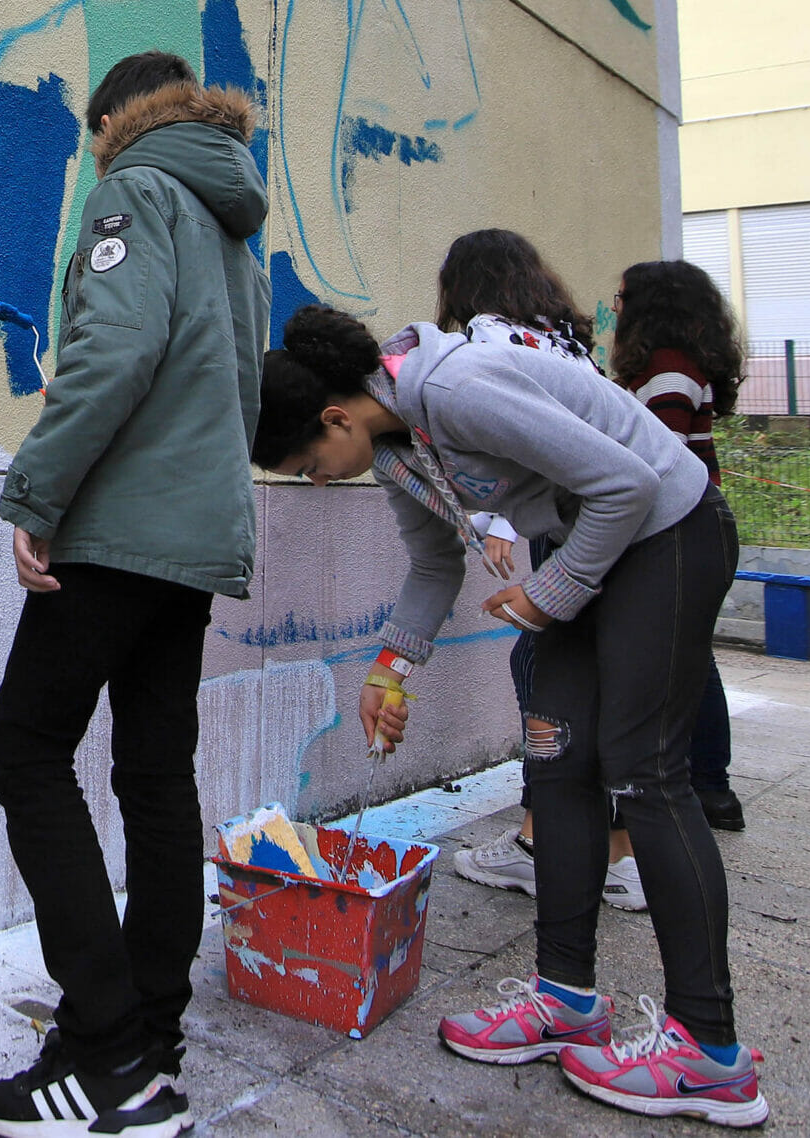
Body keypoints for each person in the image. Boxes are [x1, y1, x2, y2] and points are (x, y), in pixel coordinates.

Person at [256, 304, 766, 1126]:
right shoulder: (395, 450)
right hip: (586, 549)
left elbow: (628, 483)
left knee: (645, 773)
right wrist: (390, 669)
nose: (316, 479)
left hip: (669, 532)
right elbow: (432, 562)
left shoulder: (457, 387)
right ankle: (565, 998)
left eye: (308, 463)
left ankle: (710, 1051)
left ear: (335, 416)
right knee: (555, 761)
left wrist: (550, 592)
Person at [0, 50, 268, 1138]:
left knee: (25, 745)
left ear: (112, 118)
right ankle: (149, 1033)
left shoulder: (133, 188)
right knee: (154, 772)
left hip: (118, 530)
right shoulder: (231, 221)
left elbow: (117, 349)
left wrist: (39, 490)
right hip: (193, 536)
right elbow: (220, 386)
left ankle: (102, 1050)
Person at [425, 231, 652, 913]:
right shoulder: (559, 338)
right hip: (613, 530)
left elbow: (521, 440)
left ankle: (545, 844)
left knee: (547, 674)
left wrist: (498, 523)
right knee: (579, 675)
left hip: (581, 527)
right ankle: (607, 849)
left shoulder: (490, 340)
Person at [609, 259, 750, 834]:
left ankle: (710, 785)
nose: (614, 308)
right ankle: (711, 784)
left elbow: (657, 460)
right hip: (686, 525)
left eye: (621, 299)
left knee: (686, 658)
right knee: (691, 654)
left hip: (675, 527)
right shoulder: (675, 367)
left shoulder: (668, 372)